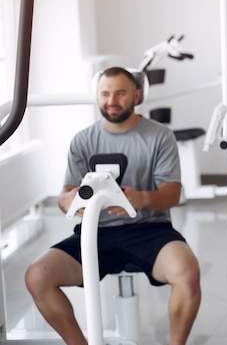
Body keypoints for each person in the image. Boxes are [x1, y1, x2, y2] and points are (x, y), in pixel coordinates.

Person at [24, 67, 201, 345]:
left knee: (187, 275)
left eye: (120, 93)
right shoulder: (83, 140)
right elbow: (64, 196)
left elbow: (173, 194)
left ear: (137, 95)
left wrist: (142, 198)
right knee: (37, 277)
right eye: (105, 94)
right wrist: (69, 201)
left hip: (149, 229)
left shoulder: (159, 136)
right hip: (95, 233)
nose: (112, 100)